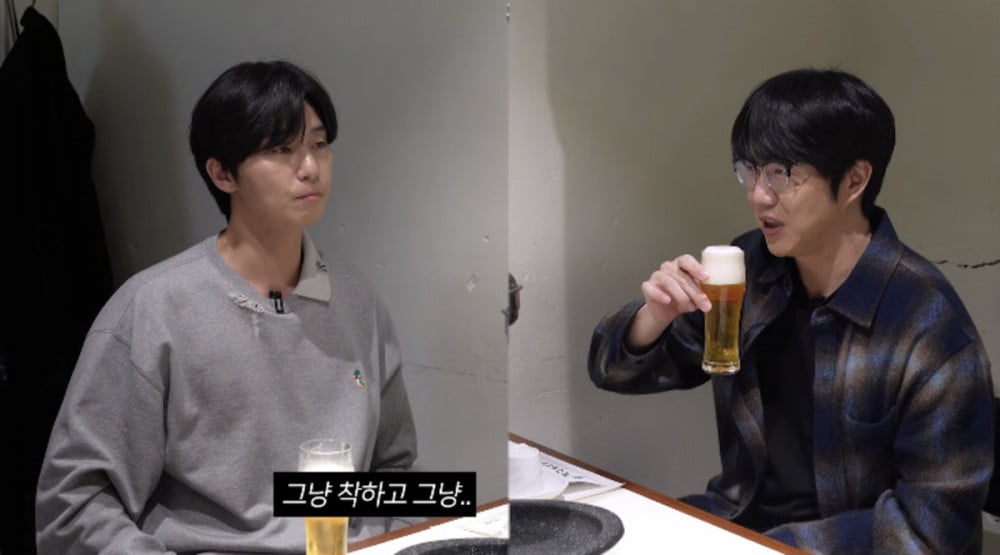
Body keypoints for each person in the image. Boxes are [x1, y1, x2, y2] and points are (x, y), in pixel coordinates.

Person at [588, 68, 994, 554]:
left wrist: (765, 545)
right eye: (750, 170)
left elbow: (932, 527)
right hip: (737, 524)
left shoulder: (928, 324)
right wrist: (655, 315)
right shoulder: (751, 268)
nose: (758, 195)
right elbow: (610, 370)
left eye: (781, 173)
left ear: (854, 180)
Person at [35, 60, 417, 553]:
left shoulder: (359, 303)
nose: (310, 167)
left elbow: (397, 471)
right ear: (221, 173)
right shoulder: (153, 309)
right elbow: (73, 504)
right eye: (281, 149)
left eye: (319, 144)